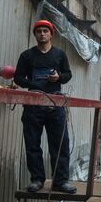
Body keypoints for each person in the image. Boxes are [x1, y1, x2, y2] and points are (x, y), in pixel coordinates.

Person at [14, 20, 76, 193]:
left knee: (60, 143)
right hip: (33, 105)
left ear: (51, 34)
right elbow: (18, 77)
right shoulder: (27, 56)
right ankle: (37, 179)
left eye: (45, 31)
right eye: (39, 31)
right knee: (32, 144)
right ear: (35, 35)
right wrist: (33, 84)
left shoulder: (59, 54)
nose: (42, 34)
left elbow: (68, 74)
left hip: (55, 105)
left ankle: (61, 181)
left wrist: (58, 77)